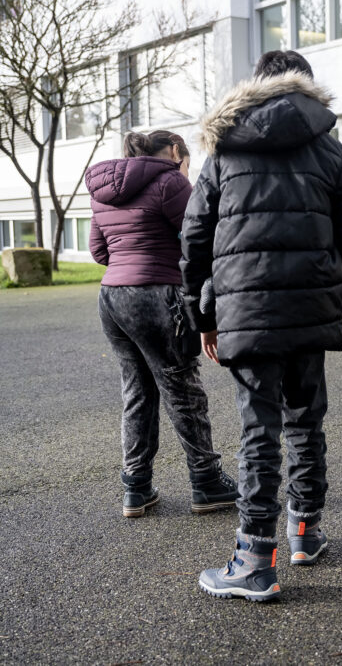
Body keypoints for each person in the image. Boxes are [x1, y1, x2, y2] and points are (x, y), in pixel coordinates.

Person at [180, 50, 342, 601]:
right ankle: (306, 533)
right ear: (307, 89)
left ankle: (252, 560)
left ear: (255, 87)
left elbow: (194, 240)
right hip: (310, 310)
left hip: (245, 313)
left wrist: (202, 315)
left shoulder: (222, 151)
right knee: (306, 420)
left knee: (258, 430)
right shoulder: (332, 150)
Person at [85, 130, 238, 518]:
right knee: (181, 386)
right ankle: (206, 482)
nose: (188, 172)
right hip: (156, 296)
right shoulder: (171, 180)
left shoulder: (102, 188)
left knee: (137, 390)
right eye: (187, 162)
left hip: (112, 298)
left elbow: (99, 251)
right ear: (175, 152)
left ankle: (136, 488)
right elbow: (200, 240)